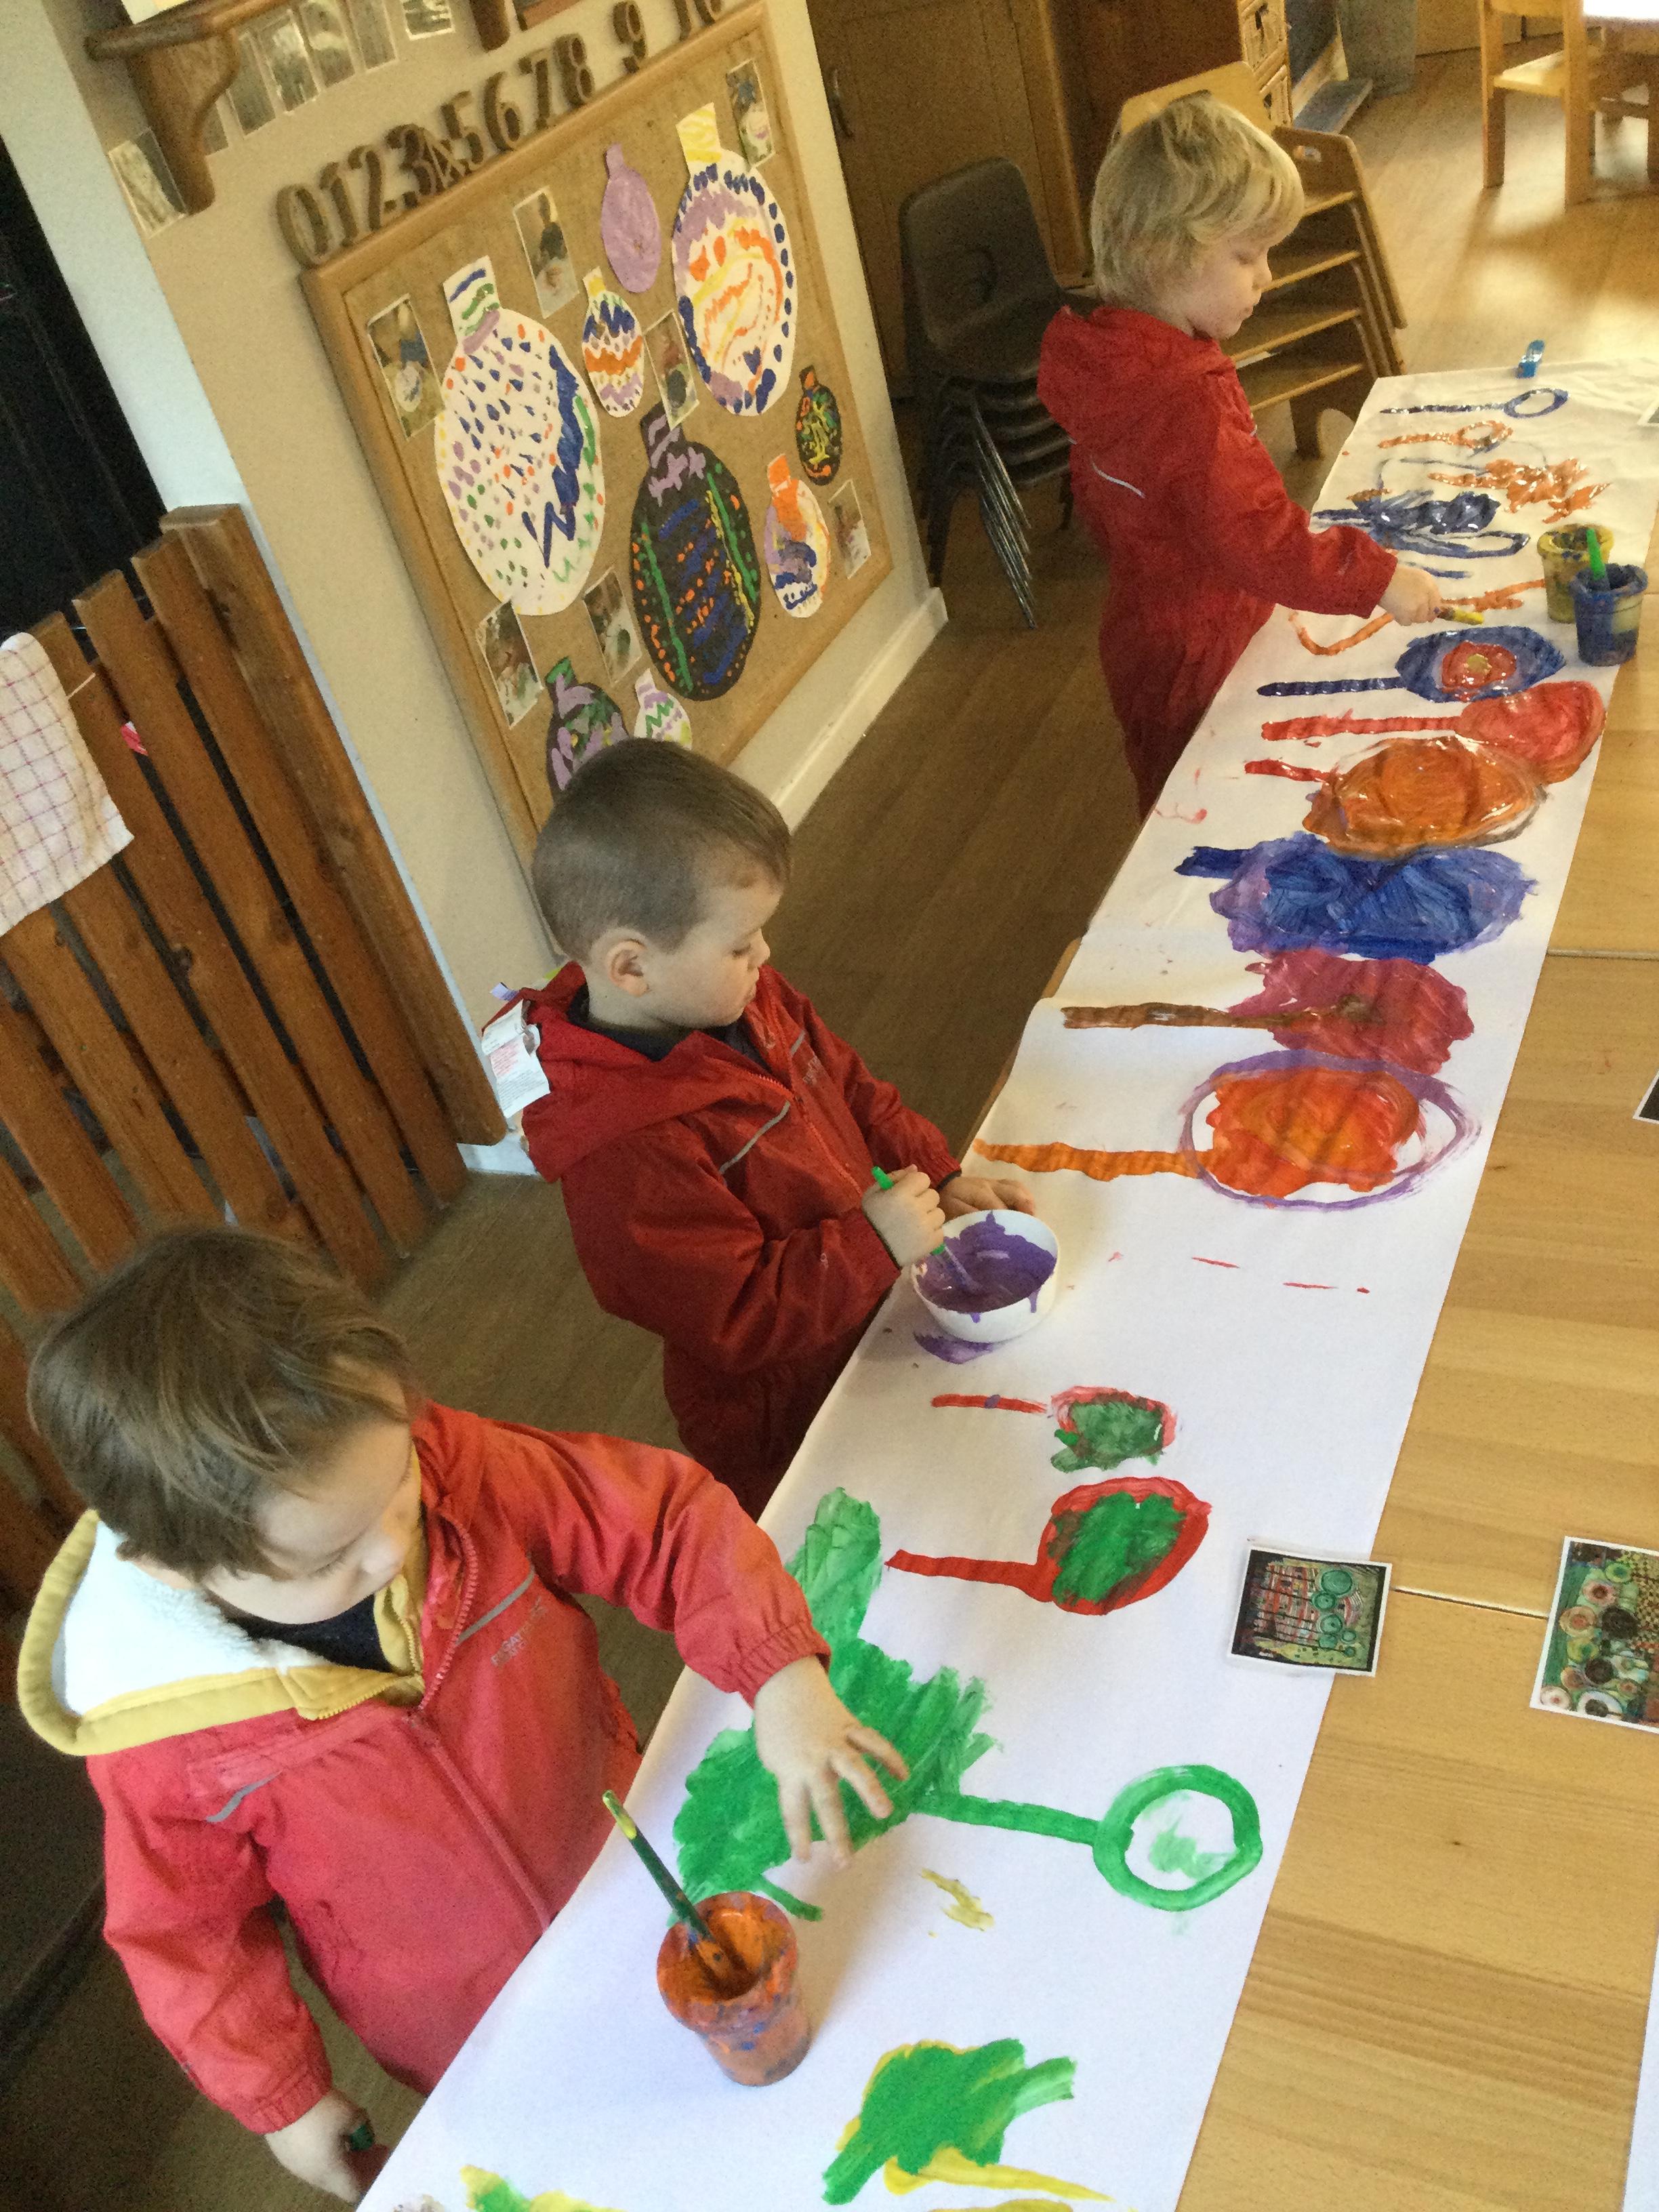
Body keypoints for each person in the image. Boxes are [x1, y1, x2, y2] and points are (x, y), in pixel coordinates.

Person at [18, 1228, 907, 2205]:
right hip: (463, 2024)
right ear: (174, 1569)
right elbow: (187, 1938)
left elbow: (663, 1522)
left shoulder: (450, 1466)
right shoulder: (163, 1736)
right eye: (334, 1558)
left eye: (398, 1482)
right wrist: (281, 2099)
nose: (394, 1542)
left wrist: (779, 1673)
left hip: (629, 1868)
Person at [513, 741, 1033, 1516]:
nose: (766, 953)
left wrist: (939, 1173)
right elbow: (736, 1316)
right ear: (631, 968)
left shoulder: (742, 995)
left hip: (871, 1312)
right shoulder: (622, 1156)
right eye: (739, 942)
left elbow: (852, 1089)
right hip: (786, 1417)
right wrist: (872, 1244)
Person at [1038, 92, 1443, 817]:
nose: (1267, 277)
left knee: (1176, 785)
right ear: (1164, 253)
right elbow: (1259, 537)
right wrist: (1379, 577)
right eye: (1247, 256)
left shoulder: (1107, 359)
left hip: (1147, 630)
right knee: (1212, 804)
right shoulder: (1183, 398)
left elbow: (1120, 509)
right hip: (1201, 651)